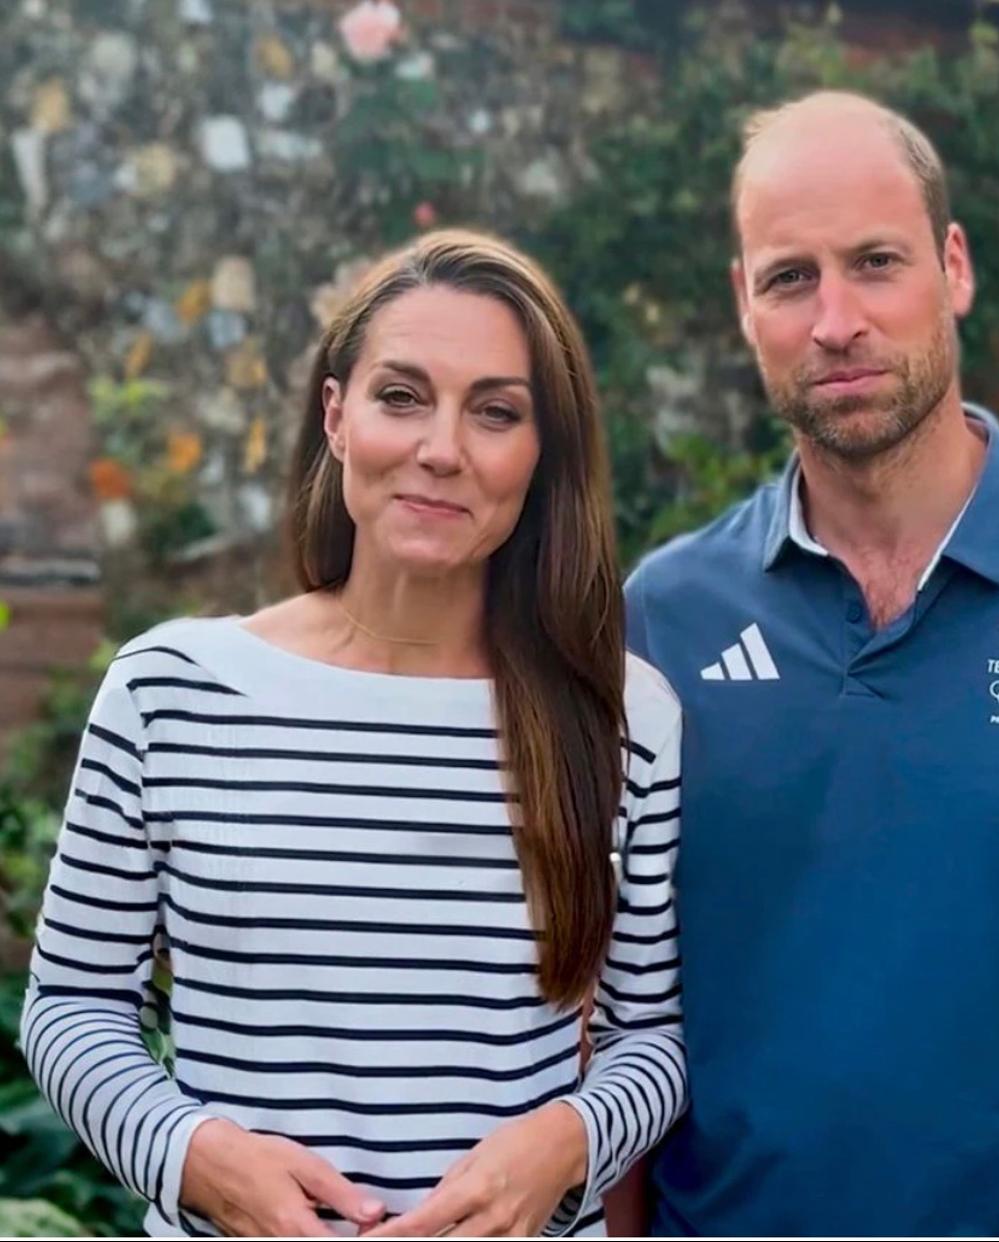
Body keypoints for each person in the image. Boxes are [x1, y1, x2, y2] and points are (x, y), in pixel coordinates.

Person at [624, 90, 999, 1236]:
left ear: (952, 267)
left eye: (875, 262)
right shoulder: (661, 620)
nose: (837, 319)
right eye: (790, 277)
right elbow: (608, 1007)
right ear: (743, 305)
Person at [21, 229, 685, 1239]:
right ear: (337, 416)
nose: (441, 449)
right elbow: (70, 1007)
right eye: (401, 396)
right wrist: (199, 1161)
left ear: (541, 455)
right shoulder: (170, 694)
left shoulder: (624, 719)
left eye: (496, 412)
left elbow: (652, 1038)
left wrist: (564, 1144)